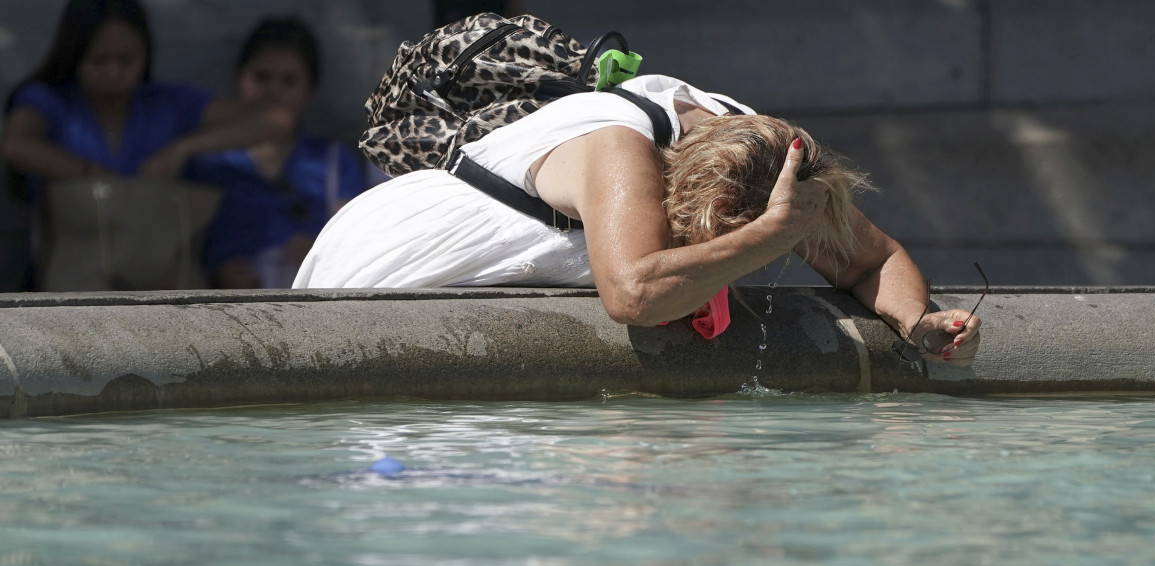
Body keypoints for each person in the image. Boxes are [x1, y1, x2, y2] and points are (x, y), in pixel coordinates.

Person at [294, 75, 981, 364]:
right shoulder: (619, 147)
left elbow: (871, 259)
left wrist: (918, 322)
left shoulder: (770, 157)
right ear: (683, 201)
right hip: (398, 260)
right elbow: (634, 295)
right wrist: (768, 237)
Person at [0, 0, 296, 288]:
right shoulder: (49, 100)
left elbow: (277, 120)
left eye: (126, 60)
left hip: (157, 281)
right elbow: (14, 144)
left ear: (146, 55)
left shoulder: (166, 103)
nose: (113, 72)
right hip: (73, 280)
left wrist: (181, 149)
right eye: (99, 60)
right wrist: (95, 177)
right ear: (73, 55)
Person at [187, 17, 365, 289]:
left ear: (310, 89)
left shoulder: (335, 162)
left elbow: (354, 247)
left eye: (289, 81)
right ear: (239, 78)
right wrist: (218, 273)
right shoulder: (207, 162)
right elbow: (180, 250)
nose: (273, 91)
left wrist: (318, 255)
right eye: (262, 78)